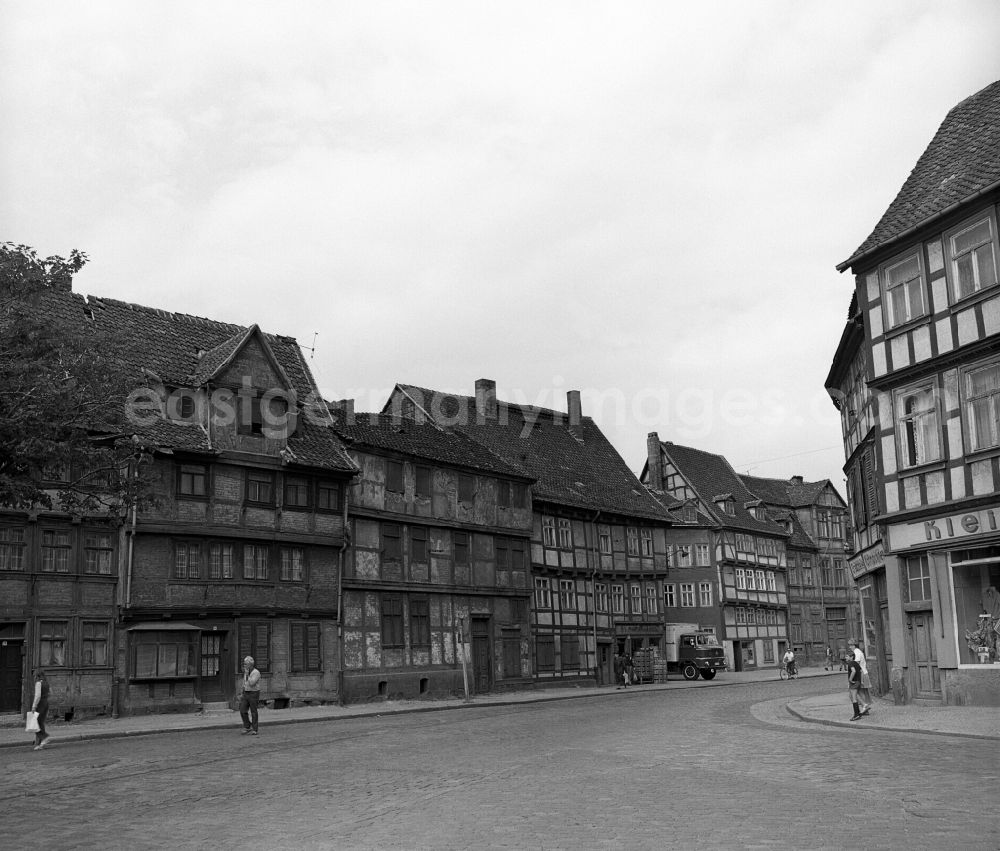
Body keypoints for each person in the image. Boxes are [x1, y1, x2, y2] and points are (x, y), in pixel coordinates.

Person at [847, 638, 872, 715]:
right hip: (862, 673)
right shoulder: (857, 652)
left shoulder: (856, 653)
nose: (850, 647)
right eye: (849, 645)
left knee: (856, 692)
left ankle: (865, 706)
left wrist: (852, 679)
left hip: (861, 674)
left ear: (855, 645)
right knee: (860, 692)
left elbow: (856, 667)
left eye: (851, 645)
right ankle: (865, 709)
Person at [239, 655, 261, 735]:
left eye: (245, 664)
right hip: (246, 693)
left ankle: (255, 729)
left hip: (253, 693)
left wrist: (248, 675)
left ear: (250, 664)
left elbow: (252, 683)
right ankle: (248, 726)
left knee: (253, 711)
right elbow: (244, 682)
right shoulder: (246, 672)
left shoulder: (256, 672)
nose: (244, 665)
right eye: (244, 664)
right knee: (242, 710)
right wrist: (242, 692)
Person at [31, 670, 51, 751]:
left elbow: (37, 696)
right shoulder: (46, 683)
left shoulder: (38, 683)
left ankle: (45, 737)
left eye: (35, 676)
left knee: (35, 723)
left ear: (37, 676)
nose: (34, 677)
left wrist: (33, 706)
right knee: (40, 722)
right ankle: (40, 743)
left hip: (40, 704)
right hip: (46, 703)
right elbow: (50, 693)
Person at [846, 653, 864, 720]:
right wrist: (861, 681)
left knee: (854, 698)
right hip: (858, 681)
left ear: (852, 657)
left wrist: (850, 679)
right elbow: (861, 671)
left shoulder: (850, 663)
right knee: (852, 696)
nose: (846, 657)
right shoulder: (856, 663)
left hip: (854, 682)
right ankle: (858, 713)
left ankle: (856, 715)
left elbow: (853, 671)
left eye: (847, 656)